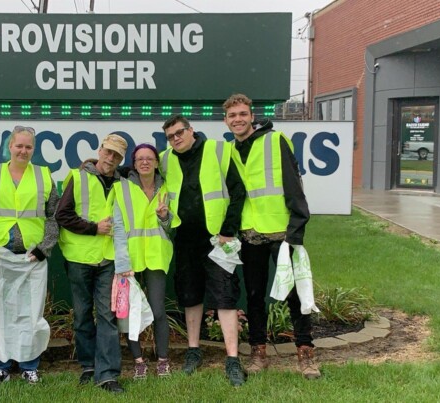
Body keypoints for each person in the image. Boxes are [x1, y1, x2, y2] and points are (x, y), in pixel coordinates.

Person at [222, 93, 320, 379]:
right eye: (232, 116)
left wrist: (296, 231)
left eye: (242, 114)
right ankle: (258, 353)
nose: (237, 119)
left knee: (294, 294)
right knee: (254, 296)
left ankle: (306, 353)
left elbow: (294, 185)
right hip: (251, 234)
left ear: (251, 116)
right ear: (226, 120)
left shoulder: (276, 141)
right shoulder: (229, 150)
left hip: (282, 232)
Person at [159, 115, 247, 386]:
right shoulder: (164, 159)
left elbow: (238, 191)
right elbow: (140, 173)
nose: (176, 138)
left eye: (179, 132)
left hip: (217, 239)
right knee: (190, 296)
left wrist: (227, 231)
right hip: (185, 239)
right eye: (170, 136)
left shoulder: (218, 149)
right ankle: (193, 351)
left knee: (225, 297)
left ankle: (232, 359)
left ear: (191, 130)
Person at [0, 126, 59, 385]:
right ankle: (0, 366)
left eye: (28, 147)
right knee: (0, 311)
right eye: (19, 146)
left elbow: (54, 215)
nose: (23, 151)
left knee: (31, 312)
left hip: (33, 256)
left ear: (34, 149)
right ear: (9, 146)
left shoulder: (43, 175)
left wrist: (45, 247)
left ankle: (30, 365)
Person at [55, 133, 127, 393]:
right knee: (83, 314)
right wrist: (93, 228)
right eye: (108, 152)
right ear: (100, 150)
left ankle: (107, 374)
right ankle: (88, 365)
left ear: (121, 159)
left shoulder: (123, 183)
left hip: (108, 259)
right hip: (78, 257)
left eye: (116, 155)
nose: (110, 158)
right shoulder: (77, 177)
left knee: (107, 316)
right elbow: (62, 215)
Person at [113, 144, 179, 379]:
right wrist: (122, 262)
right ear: (134, 163)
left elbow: (171, 225)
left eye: (149, 158)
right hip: (130, 260)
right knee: (130, 312)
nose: (144, 162)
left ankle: (162, 360)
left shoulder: (167, 187)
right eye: (140, 159)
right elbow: (118, 228)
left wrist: (164, 217)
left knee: (158, 310)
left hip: (157, 257)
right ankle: (139, 361)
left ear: (156, 163)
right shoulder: (121, 189)